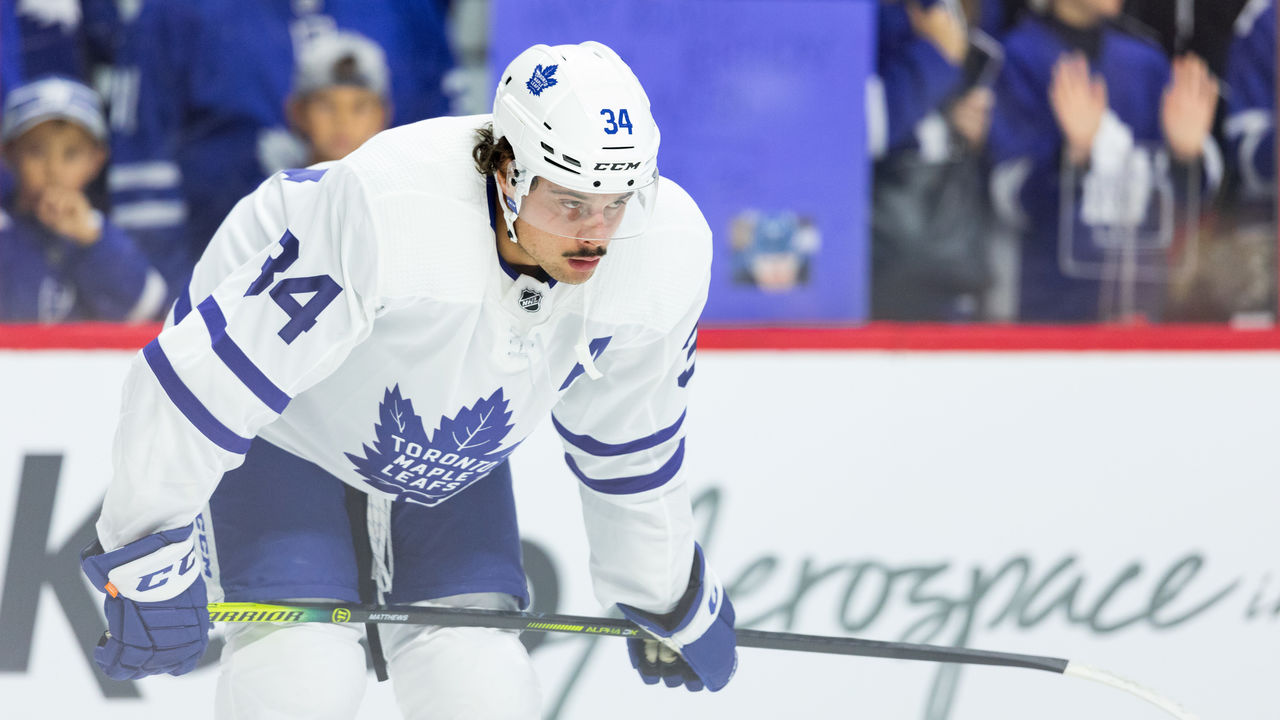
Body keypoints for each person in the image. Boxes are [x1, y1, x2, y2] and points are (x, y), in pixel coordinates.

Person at [78, 41, 737, 719]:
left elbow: (628, 441)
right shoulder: (392, 209)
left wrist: (666, 592)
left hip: (444, 443)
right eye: (570, 204)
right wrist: (145, 554)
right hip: (286, 424)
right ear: (509, 171)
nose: (596, 234)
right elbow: (197, 381)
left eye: (616, 201)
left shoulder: (662, 249)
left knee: (482, 682)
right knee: (302, 673)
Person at [987, 0, 1221, 321]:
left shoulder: (1146, 62)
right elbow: (1009, 197)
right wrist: (1074, 154)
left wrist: (1185, 155)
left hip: (1144, 302)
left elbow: (1189, 200)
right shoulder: (1018, 56)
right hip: (1045, 307)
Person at [0, 75, 166, 322]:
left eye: (71, 153)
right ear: (8, 154)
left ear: (96, 161)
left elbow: (148, 311)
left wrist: (93, 241)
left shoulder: (99, 231)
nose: (53, 169)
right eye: (36, 151)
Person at [287, 31, 393, 165]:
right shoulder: (275, 185)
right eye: (326, 106)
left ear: (382, 114)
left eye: (359, 107)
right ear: (299, 112)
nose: (343, 121)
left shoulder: (402, 185)